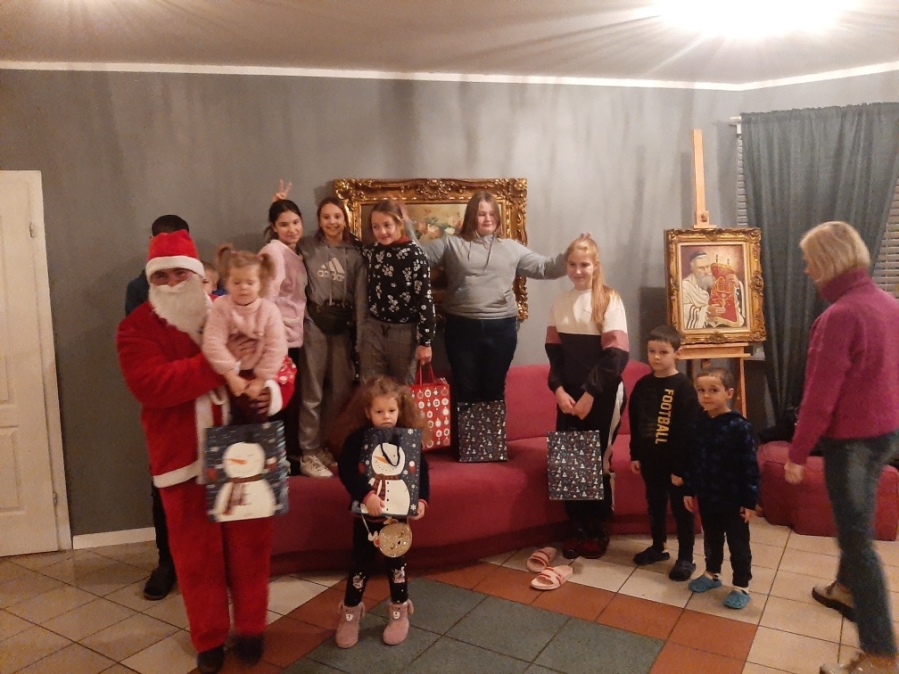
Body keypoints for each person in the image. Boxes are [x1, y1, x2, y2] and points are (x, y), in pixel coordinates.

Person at [117, 230, 295, 674]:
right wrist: (219, 364)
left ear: (199, 275)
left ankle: (251, 629)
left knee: (251, 549)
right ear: (150, 280)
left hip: (243, 454)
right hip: (182, 461)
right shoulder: (135, 327)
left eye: (181, 272)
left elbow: (282, 363)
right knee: (196, 560)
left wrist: (269, 392)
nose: (173, 282)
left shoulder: (232, 306)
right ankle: (209, 638)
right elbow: (151, 385)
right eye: (162, 275)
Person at [783, 221, 899, 674]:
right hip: (885, 434)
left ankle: (880, 653)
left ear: (828, 262)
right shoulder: (889, 304)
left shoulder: (840, 316)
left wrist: (797, 454)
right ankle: (845, 590)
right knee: (857, 522)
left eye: (810, 261)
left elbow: (819, 397)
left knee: (857, 541)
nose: (807, 270)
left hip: (851, 443)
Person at [417, 191, 566, 403]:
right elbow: (414, 256)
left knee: (494, 391)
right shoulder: (451, 245)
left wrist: (571, 255)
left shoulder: (512, 248)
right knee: (465, 391)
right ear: (471, 216)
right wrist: (403, 228)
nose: (488, 219)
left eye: (492, 213)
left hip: (501, 328)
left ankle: (492, 428)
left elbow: (545, 268)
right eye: (481, 214)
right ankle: (470, 427)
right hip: (461, 328)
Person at [545, 234, 628, 560]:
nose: (578, 271)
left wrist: (590, 394)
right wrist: (559, 390)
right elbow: (555, 355)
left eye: (584, 265)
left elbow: (616, 356)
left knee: (596, 459)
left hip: (603, 395)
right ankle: (577, 526)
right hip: (570, 394)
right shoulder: (560, 302)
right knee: (569, 460)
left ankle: (597, 527)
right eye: (572, 264)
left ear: (596, 266)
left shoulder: (610, 300)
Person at [335, 376, 430, 649]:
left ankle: (399, 612)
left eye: (391, 410)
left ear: (400, 410)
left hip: (396, 520)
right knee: (359, 566)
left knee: (397, 566)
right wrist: (366, 494)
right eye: (379, 411)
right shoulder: (358, 440)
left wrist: (421, 501)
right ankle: (350, 613)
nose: (386, 416)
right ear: (368, 412)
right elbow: (346, 471)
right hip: (366, 520)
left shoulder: (407, 439)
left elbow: (421, 473)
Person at [123, 213, 190, 602]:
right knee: (163, 487)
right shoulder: (138, 289)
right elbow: (142, 354)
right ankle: (167, 562)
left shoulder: (204, 284)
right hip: (166, 411)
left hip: (208, 414)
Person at [683, 367, 759, 611]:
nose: (706, 396)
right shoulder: (699, 423)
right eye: (701, 390)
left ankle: (741, 585)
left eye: (713, 390)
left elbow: (749, 466)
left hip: (734, 500)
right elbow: (693, 459)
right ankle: (712, 573)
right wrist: (689, 489)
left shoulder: (739, 426)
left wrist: (749, 501)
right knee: (712, 539)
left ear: (729, 393)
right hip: (708, 496)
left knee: (738, 545)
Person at [629, 325, 700, 581]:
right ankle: (658, 547)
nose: (656, 357)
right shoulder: (642, 385)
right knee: (655, 504)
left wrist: (681, 469)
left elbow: (687, 431)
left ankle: (686, 558)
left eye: (663, 352)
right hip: (651, 460)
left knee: (681, 511)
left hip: (676, 465)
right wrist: (635, 454)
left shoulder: (684, 388)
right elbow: (635, 422)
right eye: (651, 351)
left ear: (677, 353)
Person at [202, 245, 287, 422]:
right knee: (225, 421)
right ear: (227, 282)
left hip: (259, 375)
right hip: (226, 375)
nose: (243, 288)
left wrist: (260, 380)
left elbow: (276, 348)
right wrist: (230, 375)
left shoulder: (269, 311)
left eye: (250, 282)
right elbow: (212, 342)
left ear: (260, 284)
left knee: (257, 421)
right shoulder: (221, 307)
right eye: (237, 282)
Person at [359, 199, 435, 384]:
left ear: (399, 223)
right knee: (370, 385)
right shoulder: (373, 251)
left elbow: (425, 299)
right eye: (376, 227)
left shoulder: (415, 255)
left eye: (387, 225)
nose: (382, 231)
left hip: (404, 332)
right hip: (374, 328)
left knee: (402, 387)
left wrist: (425, 341)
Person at [260, 200, 307, 464]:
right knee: (280, 400)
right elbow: (267, 298)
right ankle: (279, 459)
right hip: (279, 340)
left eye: (295, 222)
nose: (292, 229)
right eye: (284, 224)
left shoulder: (294, 252)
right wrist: (271, 338)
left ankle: (285, 456)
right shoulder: (274, 252)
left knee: (289, 399)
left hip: (293, 336)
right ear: (274, 227)